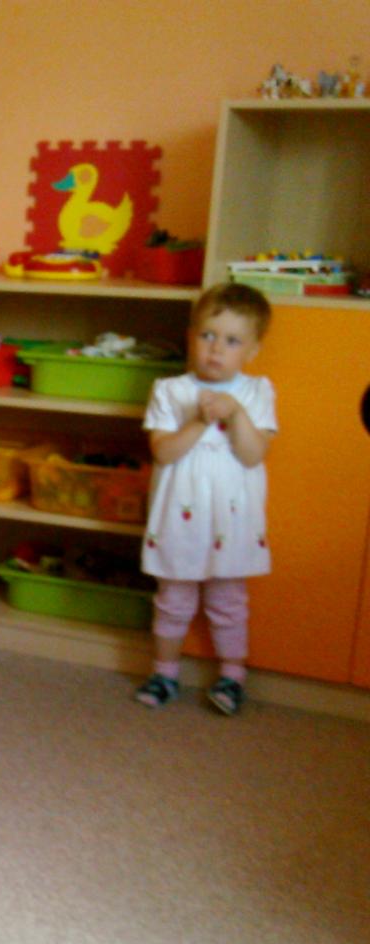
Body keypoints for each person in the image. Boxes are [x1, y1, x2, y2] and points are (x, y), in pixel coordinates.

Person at [135, 283, 276, 716]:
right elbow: (163, 452)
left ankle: (232, 676)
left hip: (231, 524)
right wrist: (198, 420)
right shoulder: (169, 390)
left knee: (228, 603)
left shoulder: (257, 391)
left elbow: (253, 455)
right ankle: (165, 672)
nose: (216, 349)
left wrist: (235, 413)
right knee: (172, 601)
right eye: (208, 335)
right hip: (179, 520)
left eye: (231, 341)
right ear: (191, 336)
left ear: (251, 350)